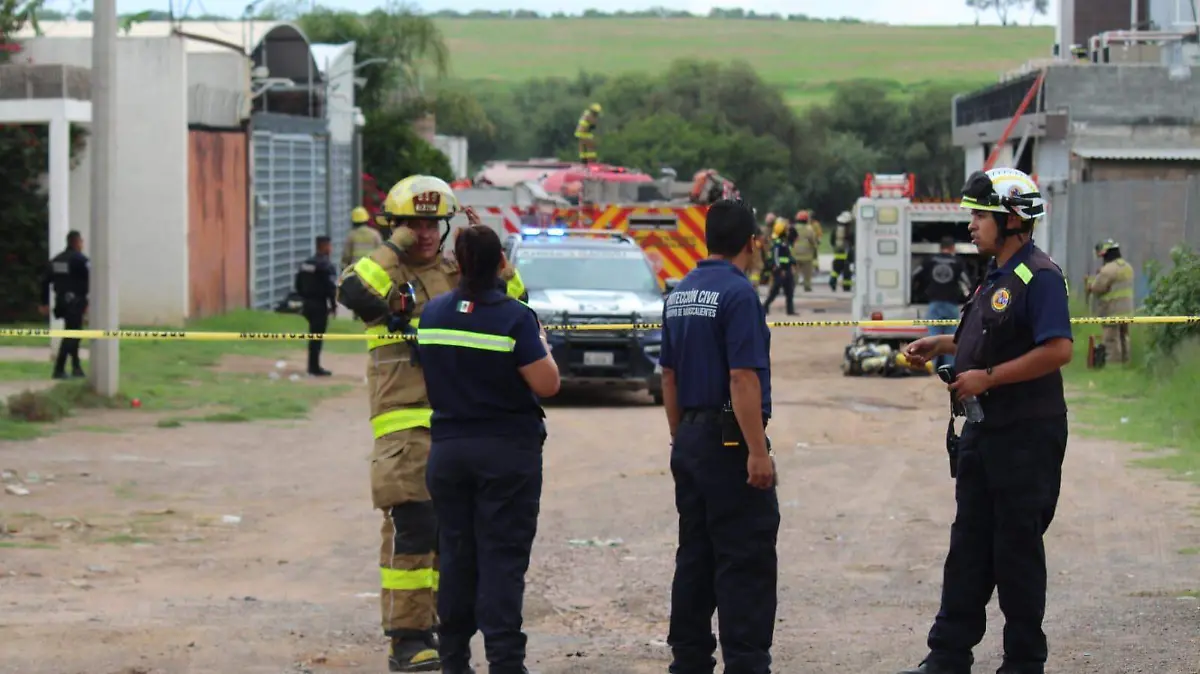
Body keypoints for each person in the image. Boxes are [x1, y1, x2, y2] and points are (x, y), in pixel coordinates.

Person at [336, 175, 529, 673]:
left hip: (455, 425)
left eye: (432, 225)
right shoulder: (384, 272)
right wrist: (392, 246)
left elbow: (517, 307)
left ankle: (444, 632)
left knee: (454, 536)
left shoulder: (454, 274)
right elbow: (351, 288)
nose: (423, 234)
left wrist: (498, 262)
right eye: (412, 225)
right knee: (414, 529)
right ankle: (407, 638)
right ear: (395, 227)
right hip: (403, 426)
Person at [897, 167, 1073, 674]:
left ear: (1013, 219)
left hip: (1025, 436)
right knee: (968, 547)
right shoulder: (995, 275)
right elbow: (986, 337)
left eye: (981, 215)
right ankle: (947, 657)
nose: (971, 225)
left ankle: (1023, 662)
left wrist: (988, 378)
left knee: (1016, 551)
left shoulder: (1039, 276)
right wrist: (941, 343)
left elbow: (1058, 349)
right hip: (983, 433)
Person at [418, 225, 561, 674]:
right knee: (502, 559)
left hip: (448, 452)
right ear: (502, 262)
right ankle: (505, 662)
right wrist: (543, 345)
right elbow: (548, 383)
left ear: (457, 263)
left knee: (456, 556)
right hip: (506, 454)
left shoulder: (433, 313)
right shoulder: (516, 318)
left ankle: (453, 660)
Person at [659, 198, 779, 674]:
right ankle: (746, 663)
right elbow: (742, 377)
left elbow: (668, 376)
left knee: (695, 553)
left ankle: (689, 660)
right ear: (751, 242)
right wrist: (757, 452)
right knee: (745, 555)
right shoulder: (738, 294)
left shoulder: (680, 292)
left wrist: (682, 438)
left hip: (690, 438)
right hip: (730, 442)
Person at [912, 236, 972, 369]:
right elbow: (966, 282)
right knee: (952, 339)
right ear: (952, 248)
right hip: (951, 304)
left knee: (933, 337)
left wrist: (918, 291)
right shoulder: (957, 262)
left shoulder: (930, 260)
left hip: (935, 303)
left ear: (940, 248)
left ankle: (929, 367)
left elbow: (915, 274)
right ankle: (949, 369)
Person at [40, 230, 89, 380]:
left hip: (61, 301)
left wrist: (44, 302)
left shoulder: (57, 260)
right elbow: (92, 279)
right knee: (72, 335)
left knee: (73, 333)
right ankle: (59, 369)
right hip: (76, 302)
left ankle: (76, 367)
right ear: (77, 242)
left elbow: (44, 281)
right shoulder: (80, 260)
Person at [295, 236, 338, 376]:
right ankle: (314, 367)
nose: (331, 249)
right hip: (319, 304)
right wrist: (333, 305)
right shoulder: (326, 265)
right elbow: (331, 288)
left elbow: (298, 284)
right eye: (329, 246)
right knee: (317, 337)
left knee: (313, 335)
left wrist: (303, 297)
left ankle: (312, 365)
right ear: (325, 246)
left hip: (307, 303)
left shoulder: (306, 263)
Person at [1086, 239, 1134, 364]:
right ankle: (1125, 363)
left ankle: (1113, 365)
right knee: (1124, 337)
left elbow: (1098, 288)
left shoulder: (1107, 270)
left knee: (1111, 340)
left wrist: (1090, 284)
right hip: (1127, 310)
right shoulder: (1127, 267)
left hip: (1111, 310)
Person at [762, 219, 796, 315]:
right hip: (780, 271)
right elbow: (776, 257)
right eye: (786, 230)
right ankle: (764, 307)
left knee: (790, 290)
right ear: (782, 231)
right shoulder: (777, 243)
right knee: (775, 291)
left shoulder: (785, 242)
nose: (787, 231)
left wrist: (793, 263)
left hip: (787, 269)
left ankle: (790, 310)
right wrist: (780, 269)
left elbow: (788, 255)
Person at [342, 205, 384, 270]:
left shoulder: (351, 235)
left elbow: (346, 257)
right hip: (371, 270)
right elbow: (381, 254)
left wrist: (344, 269)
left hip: (356, 270)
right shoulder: (375, 234)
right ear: (366, 219)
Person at [790, 214, 819, 292]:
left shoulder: (793, 228)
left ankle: (793, 286)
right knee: (807, 273)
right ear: (806, 220)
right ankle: (807, 286)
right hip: (807, 255)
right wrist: (815, 247)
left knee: (795, 272)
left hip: (795, 254)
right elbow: (813, 241)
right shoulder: (809, 229)